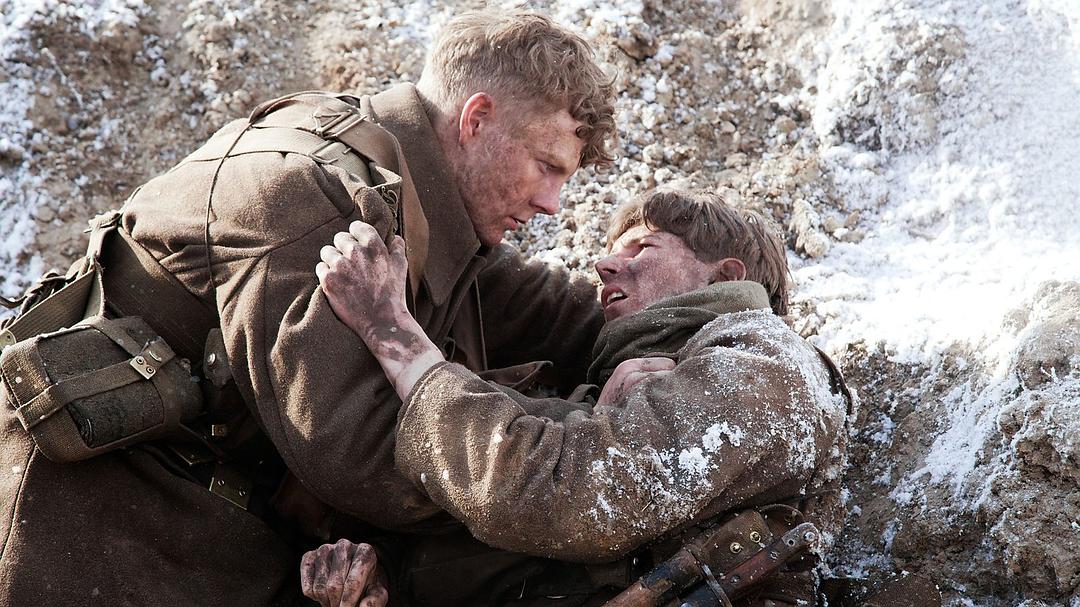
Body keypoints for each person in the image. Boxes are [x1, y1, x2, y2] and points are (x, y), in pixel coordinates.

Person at [0, 9, 615, 606]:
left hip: (186, 515)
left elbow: (533, 309)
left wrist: (658, 336)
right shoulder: (314, 197)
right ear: (476, 120)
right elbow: (359, 454)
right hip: (100, 532)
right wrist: (575, 448)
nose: (552, 202)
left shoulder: (403, 180)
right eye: (546, 167)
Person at [309, 188, 851, 606]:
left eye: (643, 248)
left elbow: (557, 494)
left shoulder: (765, 364)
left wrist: (392, 331)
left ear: (723, 276)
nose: (606, 266)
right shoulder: (627, 388)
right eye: (612, 253)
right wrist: (381, 579)